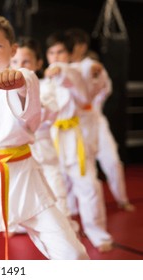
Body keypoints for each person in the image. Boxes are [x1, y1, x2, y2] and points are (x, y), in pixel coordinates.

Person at [0, 15, 89, 260]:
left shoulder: (24, 77)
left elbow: (27, 86)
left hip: (22, 177)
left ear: (13, 49)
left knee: (71, 252)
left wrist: (19, 81)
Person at [44, 31, 113, 252]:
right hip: (53, 139)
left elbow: (89, 89)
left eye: (61, 52)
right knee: (57, 190)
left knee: (88, 185)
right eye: (52, 52)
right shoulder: (44, 81)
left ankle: (97, 232)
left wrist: (96, 72)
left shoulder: (77, 72)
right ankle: (66, 233)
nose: (56, 57)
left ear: (70, 53)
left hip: (76, 138)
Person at [66, 27, 135, 212]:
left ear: (82, 46)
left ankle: (122, 198)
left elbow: (105, 88)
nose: (74, 49)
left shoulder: (91, 64)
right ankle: (72, 209)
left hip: (95, 119)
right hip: (72, 125)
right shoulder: (63, 67)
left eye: (77, 45)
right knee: (72, 168)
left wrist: (98, 74)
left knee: (112, 161)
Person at [11, 37, 75, 228]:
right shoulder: (6, 90)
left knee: (57, 194)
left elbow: (50, 109)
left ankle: (66, 226)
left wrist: (29, 101)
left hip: (44, 151)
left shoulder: (47, 86)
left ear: (38, 63)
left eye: (26, 62)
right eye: (15, 62)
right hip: (18, 154)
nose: (19, 66)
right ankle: (16, 225)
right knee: (18, 194)